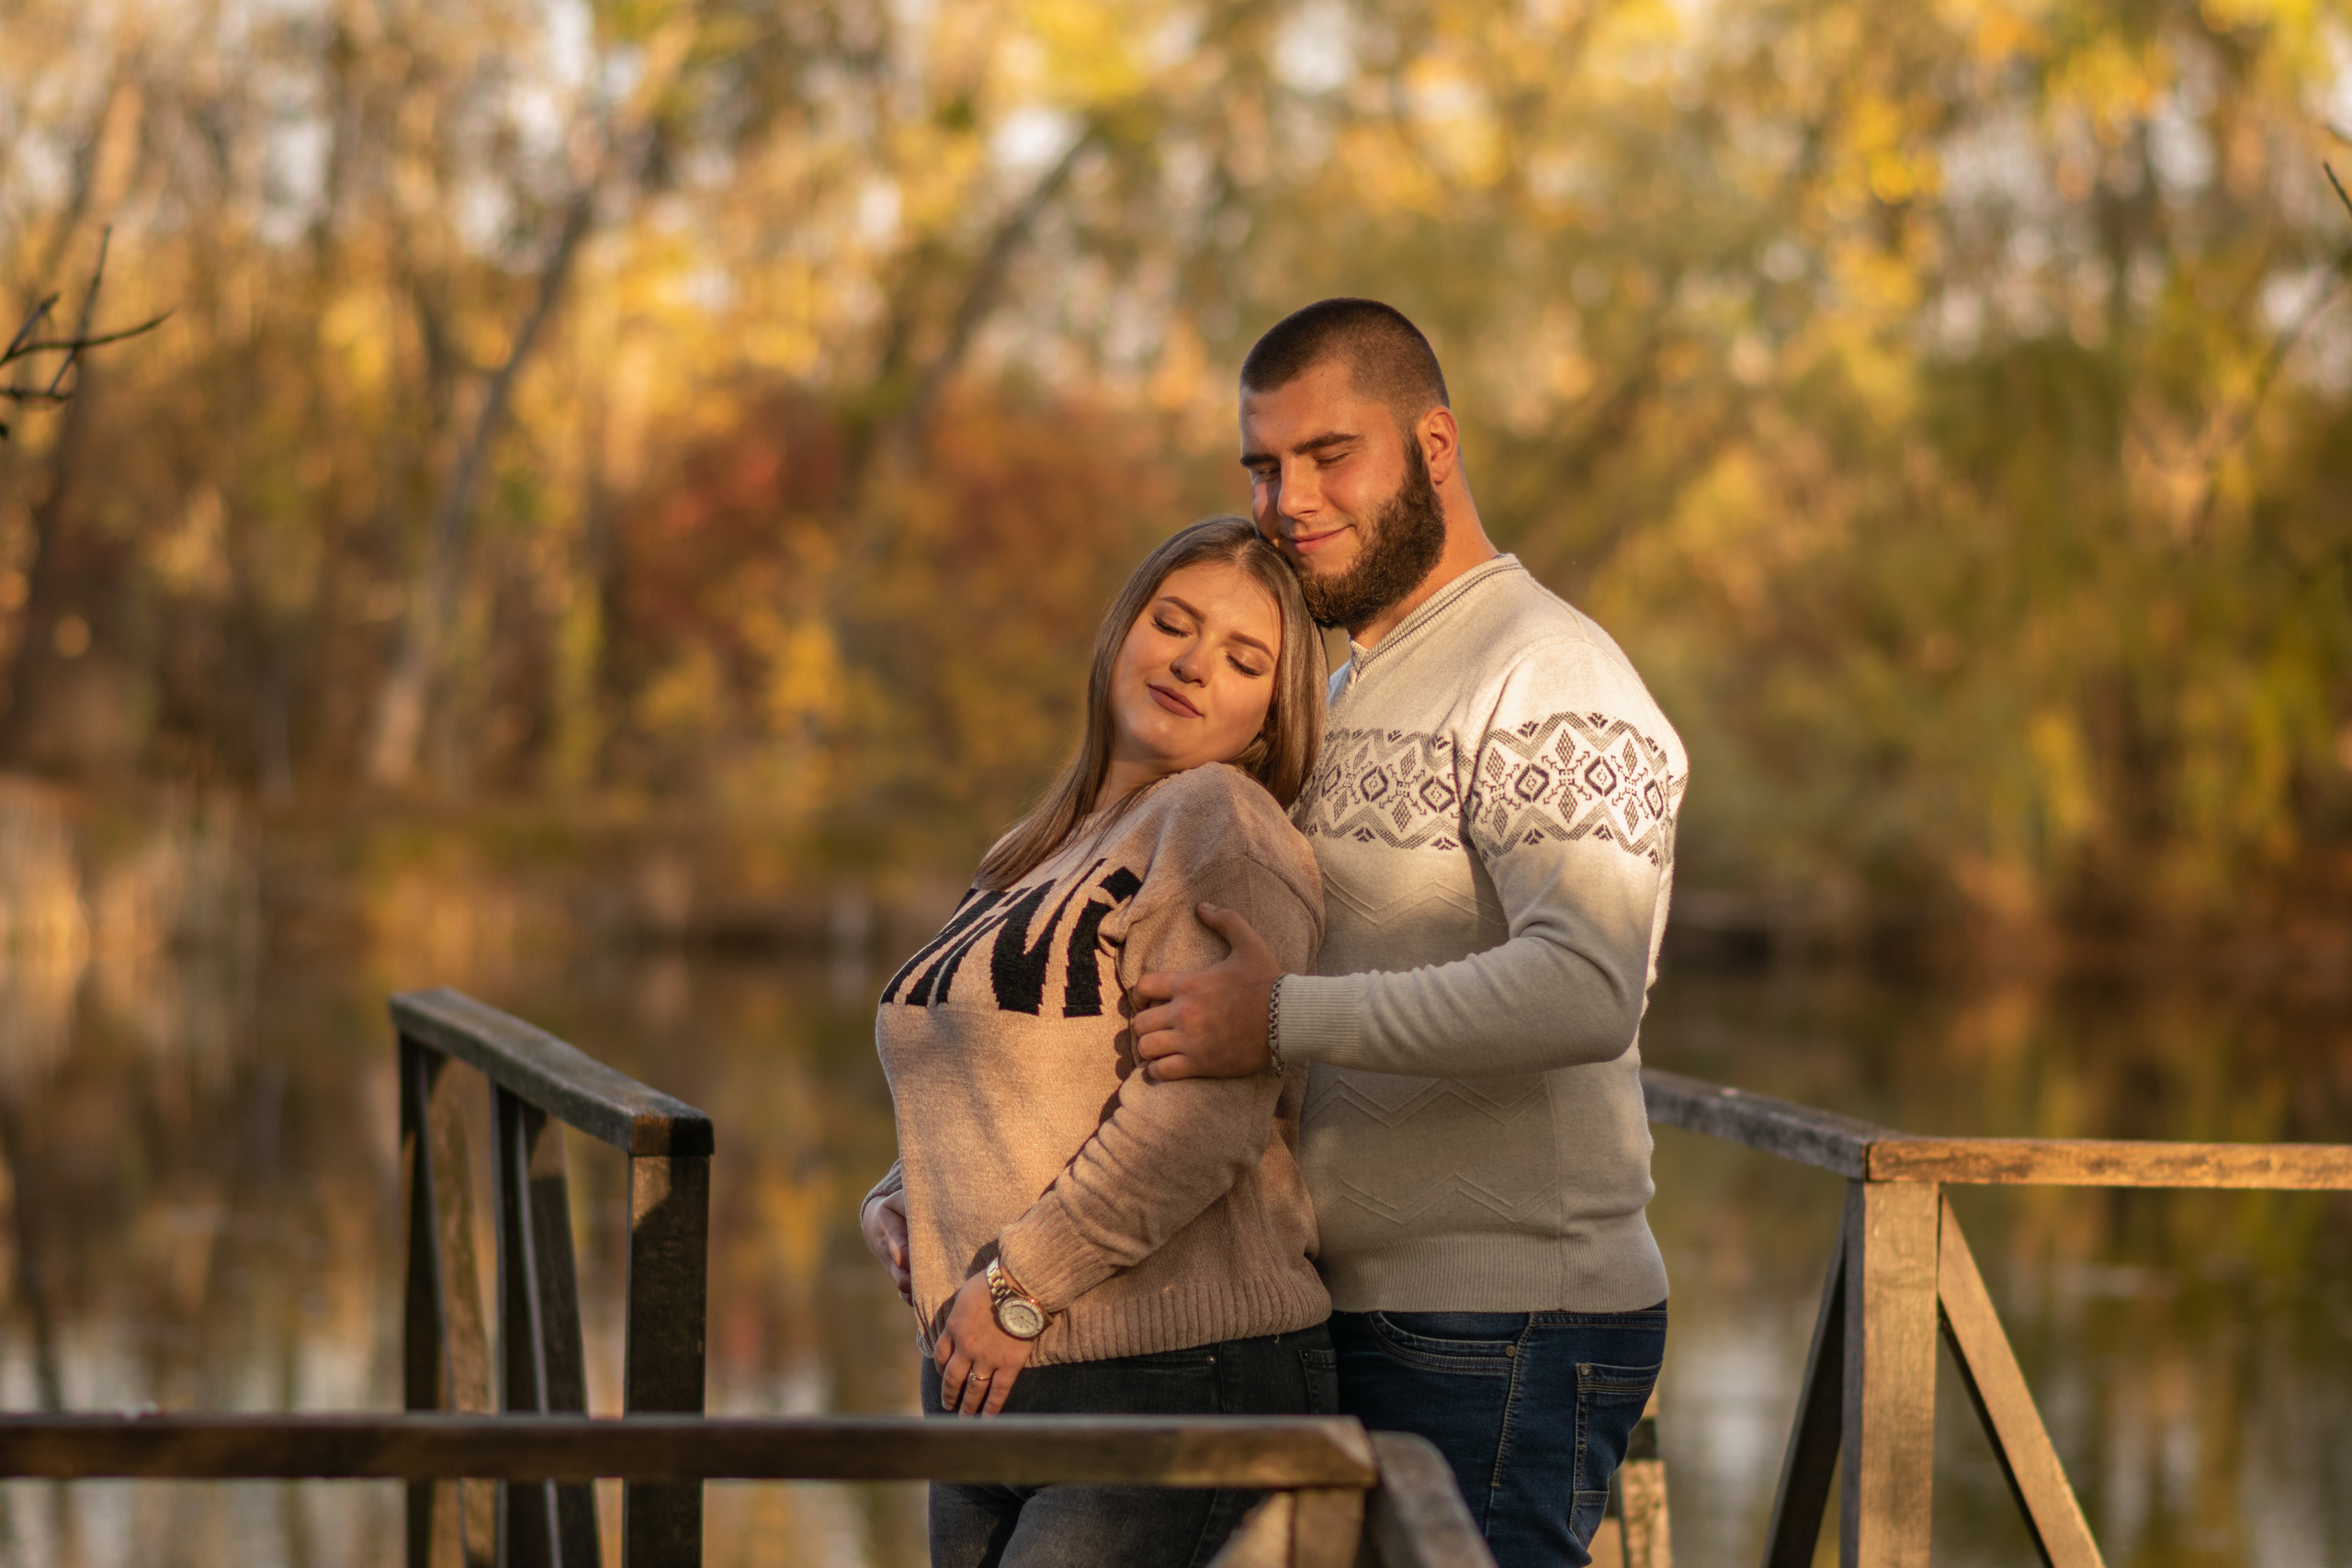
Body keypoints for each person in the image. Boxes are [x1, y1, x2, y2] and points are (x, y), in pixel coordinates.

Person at [1131, 299, 1687, 1568]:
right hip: (1358, 1305)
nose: (1291, 498)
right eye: (1264, 465)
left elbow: (1586, 986)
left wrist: (1274, 1018)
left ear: (1434, 445)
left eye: (1333, 454)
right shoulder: (1350, 679)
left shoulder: (1547, 669)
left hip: (1505, 1320)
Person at [857, 516, 1336, 1568]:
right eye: (1173, 623)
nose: (1193, 663)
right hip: (986, 1371)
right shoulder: (1033, 850)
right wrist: (903, 1195)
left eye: (1243, 659)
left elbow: (1205, 1115)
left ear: (1269, 714)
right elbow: (1001, 1064)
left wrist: (1021, 1286)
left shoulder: (1222, 825)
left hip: (1166, 1371)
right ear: (1122, 631)